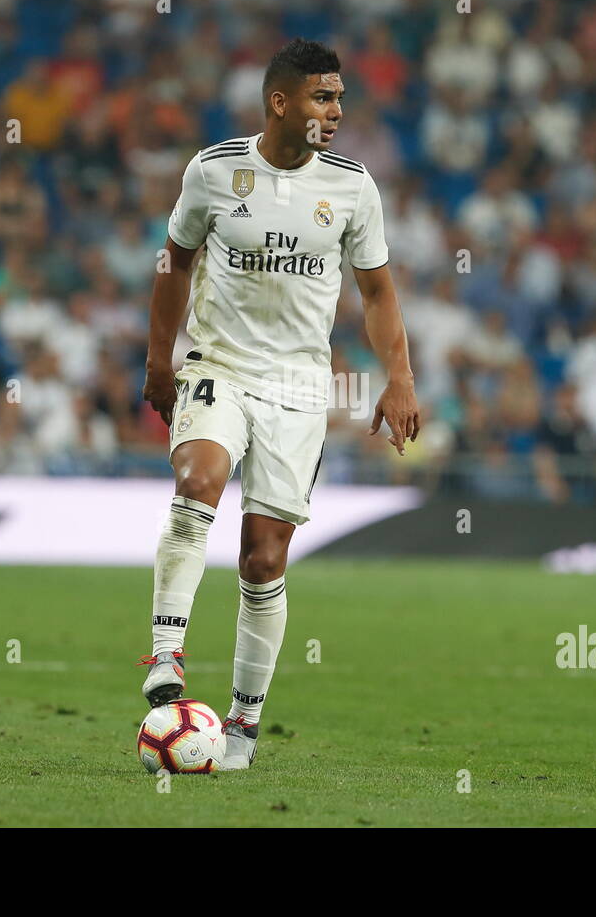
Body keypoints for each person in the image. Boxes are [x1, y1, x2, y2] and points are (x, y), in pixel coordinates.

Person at [139, 38, 420, 770]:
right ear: (281, 102)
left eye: (340, 99)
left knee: (262, 559)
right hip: (219, 364)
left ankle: (243, 725)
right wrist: (157, 357)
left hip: (299, 385)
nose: (336, 110)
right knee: (197, 481)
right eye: (324, 97)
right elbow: (174, 262)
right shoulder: (214, 170)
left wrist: (400, 377)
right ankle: (164, 657)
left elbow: (378, 292)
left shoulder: (354, 187)